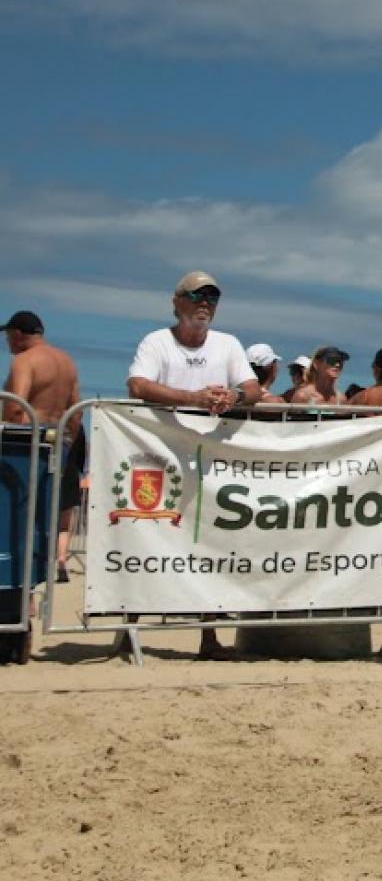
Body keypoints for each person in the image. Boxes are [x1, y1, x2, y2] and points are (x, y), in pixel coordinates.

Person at [126, 271, 260, 660]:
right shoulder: (157, 341)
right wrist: (193, 398)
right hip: (158, 456)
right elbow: (138, 385)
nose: (206, 302)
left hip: (210, 460)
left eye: (213, 297)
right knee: (144, 536)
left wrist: (232, 395)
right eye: (198, 295)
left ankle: (210, 636)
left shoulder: (228, 343)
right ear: (177, 301)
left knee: (214, 544)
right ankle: (127, 626)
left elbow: (252, 388)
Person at [3, 311, 82, 583]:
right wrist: (66, 451)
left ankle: (16, 590)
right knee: (42, 522)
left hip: (23, 448)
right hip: (56, 447)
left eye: (7, 337)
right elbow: (76, 412)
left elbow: (15, 407)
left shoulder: (25, 361)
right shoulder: (67, 362)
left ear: (17, 335)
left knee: (13, 520)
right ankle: (31, 592)